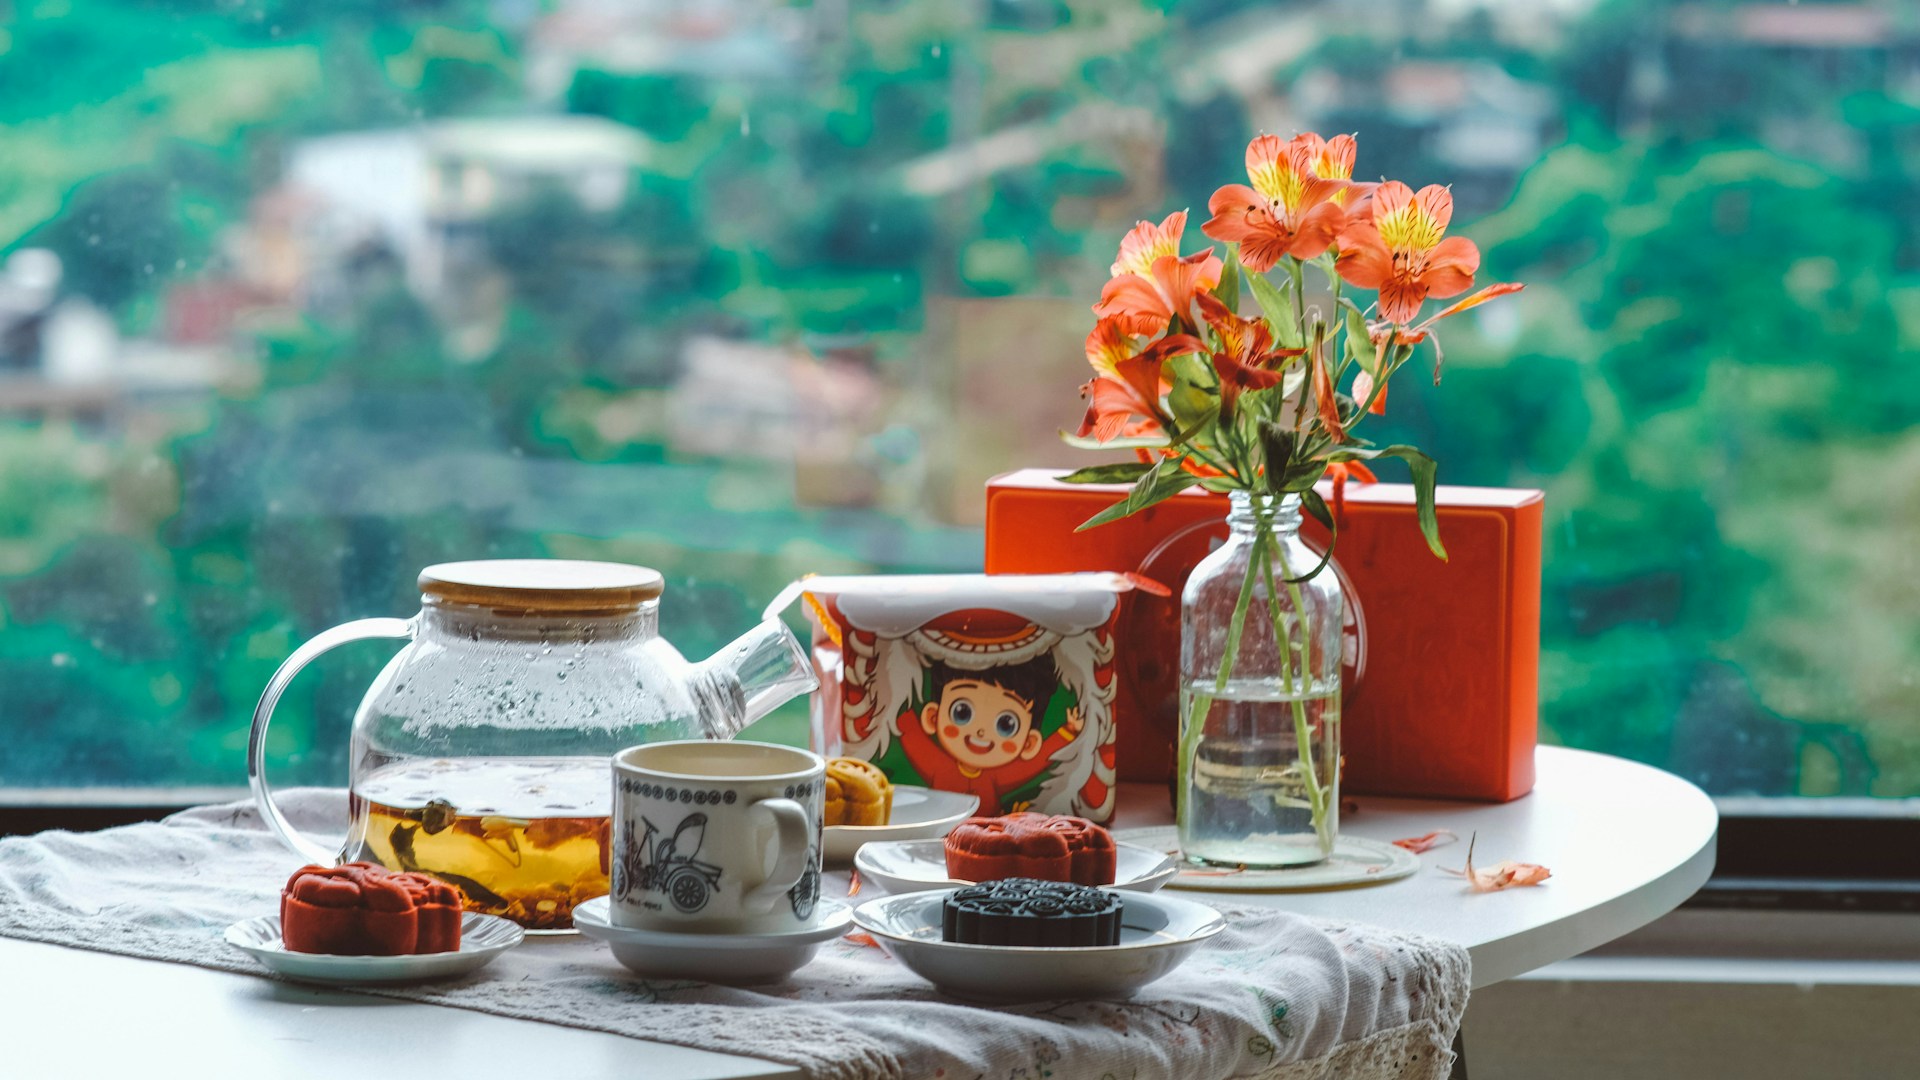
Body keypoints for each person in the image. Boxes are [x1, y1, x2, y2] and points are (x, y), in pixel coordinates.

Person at [897, 656, 1083, 813]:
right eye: (962, 713)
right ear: (933, 717)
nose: (981, 732)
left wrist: (1067, 732)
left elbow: (1036, 763)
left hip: (990, 837)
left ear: (1028, 743)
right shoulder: (936, 764)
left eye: (1006, 725)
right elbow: (912, 737)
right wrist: (899, 711)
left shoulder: (995, 776)